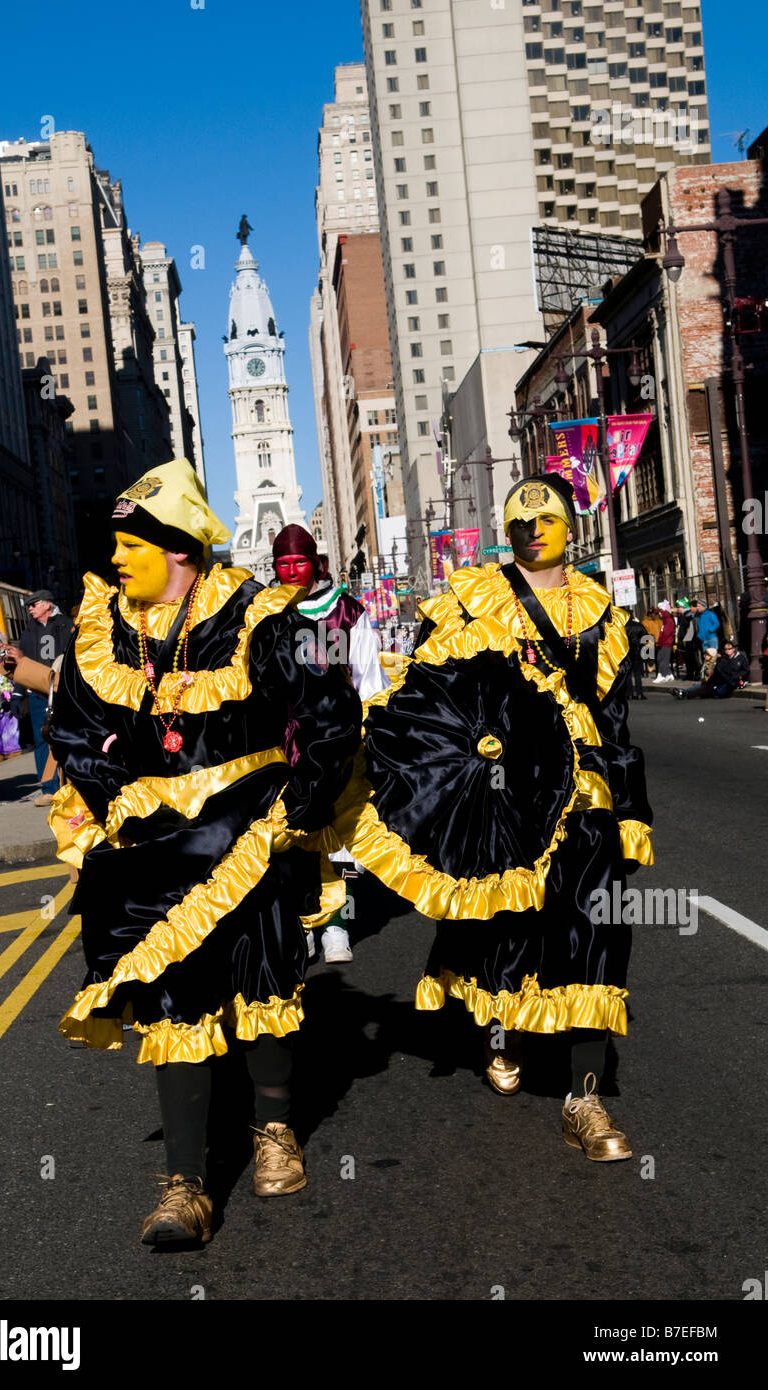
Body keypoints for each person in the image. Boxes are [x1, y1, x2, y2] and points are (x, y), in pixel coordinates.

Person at [47, 459, 361, 1247]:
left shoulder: (258, 611)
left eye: (129, 545)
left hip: (248, 829)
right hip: (152, 840)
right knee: (168, 997)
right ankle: (186, 1186)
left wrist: (305, 799)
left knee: (262, 981)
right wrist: (111, 780)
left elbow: (327, 701)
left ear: (178, 549)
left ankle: (274, 1130)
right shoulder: (105, 627)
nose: (114, 560)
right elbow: (74, 726)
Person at [335, 473, 653, 1160]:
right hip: (503, 794)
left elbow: (616, 724)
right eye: (519, 523)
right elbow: (428, 690)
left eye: (547, 520)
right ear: (505, 532)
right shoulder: (472, 599)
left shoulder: (602, 613)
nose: (533, 531)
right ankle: (498, 1032)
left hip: (583, 793)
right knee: (501, 929)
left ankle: (583, 1098)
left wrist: (629, 813)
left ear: (572, 527)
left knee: (595, 932)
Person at [272, 525, 388, 964]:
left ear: (315, 563)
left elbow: (367, 676)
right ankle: (303, 924)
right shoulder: (265, 614)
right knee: (293, 838)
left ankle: (337, 924)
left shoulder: (347, 611)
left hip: (338, 741)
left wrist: (370, 734)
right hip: (285, 744)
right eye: (282, 564)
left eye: (298, 562)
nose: (291, 571)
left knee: (341, 838)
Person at [5, 591, 72, 805]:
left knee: (66, 736)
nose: (30, 609)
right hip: (37, 694)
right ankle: (48, 789)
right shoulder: (29, 631)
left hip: (62, 691)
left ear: (46, 604)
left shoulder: (66, 625)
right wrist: (17, 694)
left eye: (33, 605)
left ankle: (70, 785)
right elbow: (21, 664)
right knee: (41, 739)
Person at [625, 612, 648, 699]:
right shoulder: (639, 626)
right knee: (638, 674)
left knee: (628, 674)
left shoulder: (623, 627)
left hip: (627, 652)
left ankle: (629, 694)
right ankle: (639, 693)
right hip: (638, 652)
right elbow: (646, 638)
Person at [652, 600, 675, 682]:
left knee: (663, 660)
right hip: (663, 643)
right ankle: (669, 674)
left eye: (661, 611)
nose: (660, 613)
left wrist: (660, 642)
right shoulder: (665, 621)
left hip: (666, 643)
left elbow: (666, 634)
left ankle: (662, 675)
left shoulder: (668, 621)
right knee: (660, 658)